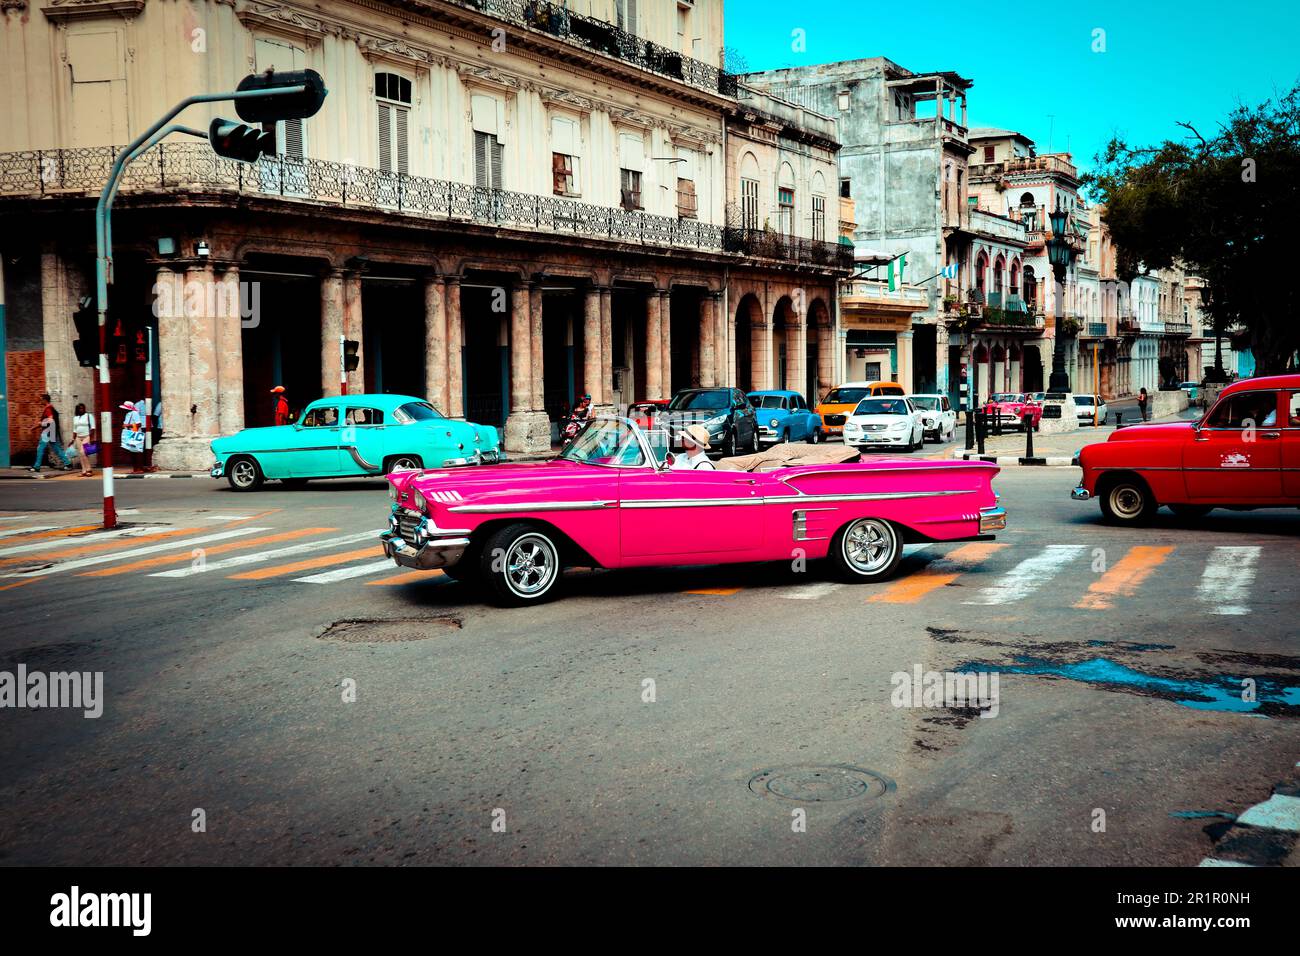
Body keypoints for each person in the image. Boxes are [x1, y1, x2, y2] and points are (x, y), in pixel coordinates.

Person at [29, 392, 73, 472]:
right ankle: (68, 463)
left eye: (41, 400)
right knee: (56, 448)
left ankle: (37, 466)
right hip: (52, 431)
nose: (40, 401)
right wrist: (33, 428)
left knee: (40, 448)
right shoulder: (51, 408)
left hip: (47, 431)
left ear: (45, 400)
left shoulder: (48, 409)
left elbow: (50, 420)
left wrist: (41, 423)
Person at [67, 402, 95, 477]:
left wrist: (91, 437)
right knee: (81, 454)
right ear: (77, 409)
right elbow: (75, 429)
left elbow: (92, 428)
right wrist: (72, 439)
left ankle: (89, 469)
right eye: (80, 408)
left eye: (82, 408)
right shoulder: (75, 418)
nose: (81, 410)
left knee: (83, 452)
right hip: (78, 437)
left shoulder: (89, 416)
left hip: (86, 436)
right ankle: (84, 471)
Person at [120, 400, 146, 472]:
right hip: (130, 434)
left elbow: (139, 424)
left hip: (136, 434)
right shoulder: (128, 414)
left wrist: (128, 425)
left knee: (137, 452)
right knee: (132, 452)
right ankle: (135, 469)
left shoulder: (134, 413)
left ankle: (139, 468)